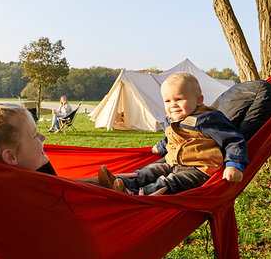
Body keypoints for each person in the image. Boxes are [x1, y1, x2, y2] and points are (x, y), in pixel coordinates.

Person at [98, 72, 246, 195]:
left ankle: (135, 194)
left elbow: (233, 140)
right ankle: (119, 183)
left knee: (168, 182)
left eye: (179, 99)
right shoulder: (172, 119)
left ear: (199, 100)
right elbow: (171, 137)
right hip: (172, 161)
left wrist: (234, 164)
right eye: (167, 101)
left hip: (199, 168)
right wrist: (160, 146)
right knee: (149, 170)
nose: (173, 105)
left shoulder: (207, 119)